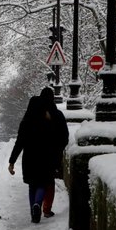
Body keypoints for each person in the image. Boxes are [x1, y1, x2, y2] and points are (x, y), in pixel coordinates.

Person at [8, 94, 66, 223]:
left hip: (29, 158)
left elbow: (19, 143)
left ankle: (34, 213)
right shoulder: (47, 121)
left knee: (32, 186)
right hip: (45, 158)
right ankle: (38, 204)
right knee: (42, 184)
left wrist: (12, 161)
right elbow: (56, 140)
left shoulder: (25, 122)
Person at [38, 87, 70, 218]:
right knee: (49, 181)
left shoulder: (34, 113)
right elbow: (65, 136)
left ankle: (36, 205)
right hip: (53, 154)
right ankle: (46, 209)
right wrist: (59, 149)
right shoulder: (58, 115)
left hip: (37, 153)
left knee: (38, 180)